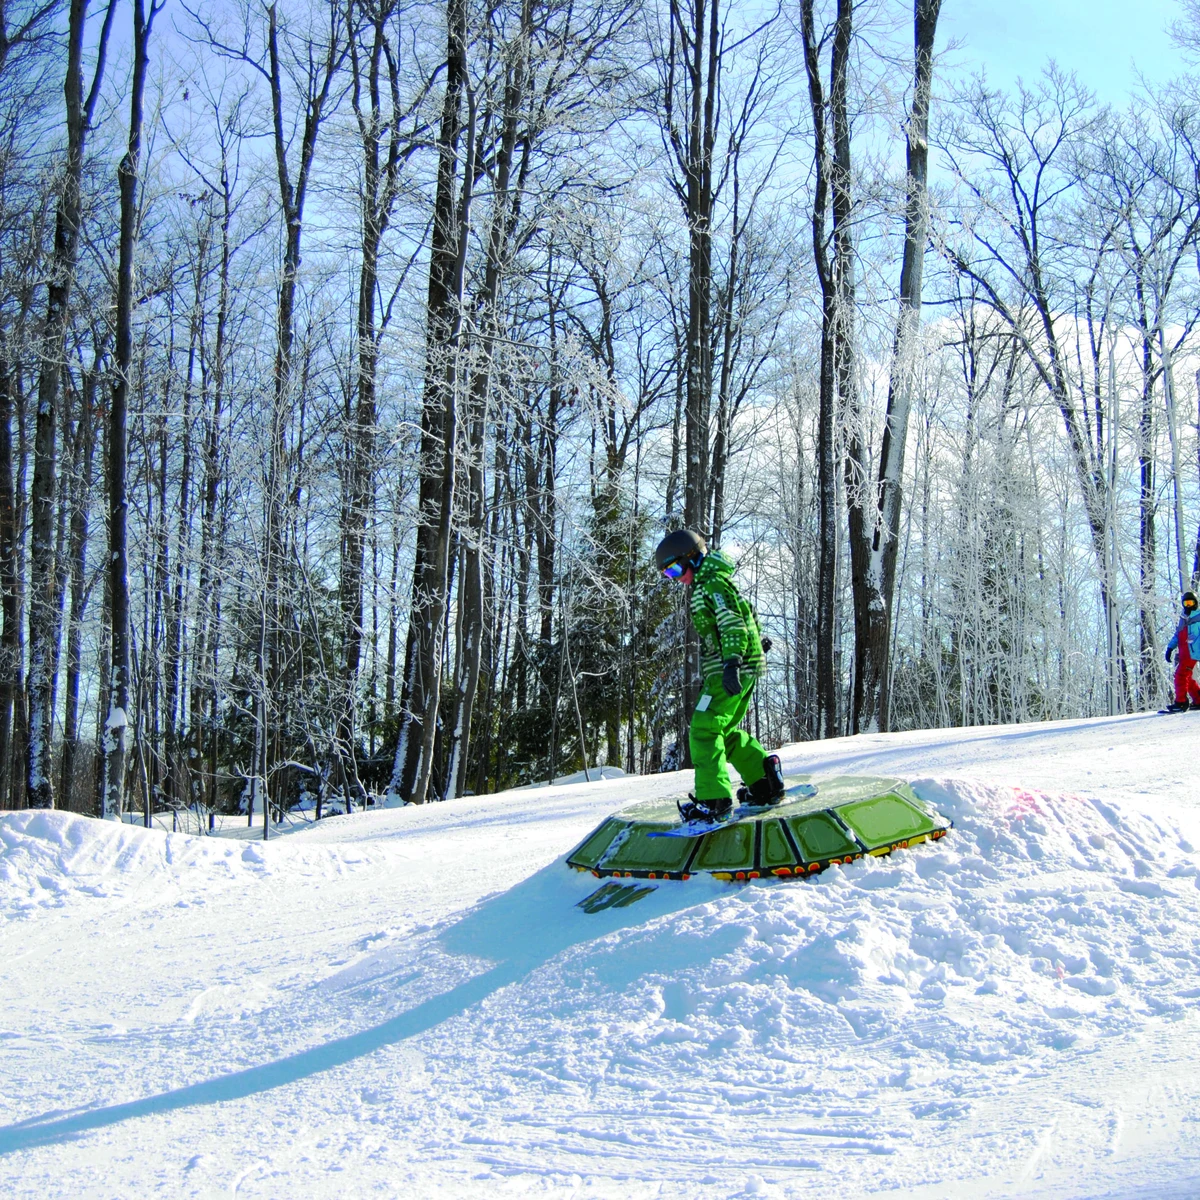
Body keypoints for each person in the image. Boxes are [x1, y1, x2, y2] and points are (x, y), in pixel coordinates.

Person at [655, 528, 784, 822]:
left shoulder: (709, 584)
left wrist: (733, 662)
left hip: (729, 668)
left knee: (704, 729)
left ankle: (714, 800)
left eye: (676, 569)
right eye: (669, 575)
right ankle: (764, 781)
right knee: (722, 733)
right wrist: (756, 644)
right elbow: (745, 612)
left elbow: (730, 623)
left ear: (694, 557)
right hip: (737, 666)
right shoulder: (715, 582)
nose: (677, 578)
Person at [1164, 589, 1200, 713]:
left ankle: (1181, 702)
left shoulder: (1199, 616)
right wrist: (1170, 648)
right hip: (1184, 652)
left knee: (1180, 675)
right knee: (1186, 677)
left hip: (1193, 651)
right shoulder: (1183, 618)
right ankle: (1199, 699)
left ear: (1195, 603)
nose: (1188, 606)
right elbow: (1178, 635)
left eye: (1190, 603)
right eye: (1186, 603)